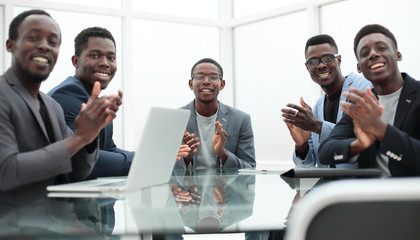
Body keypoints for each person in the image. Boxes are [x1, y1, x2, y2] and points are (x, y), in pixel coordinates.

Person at [0, 9, 121, 192]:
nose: (44, 46)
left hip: (55, 216)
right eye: (33, 38)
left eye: (53, 42)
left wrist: (87, 138)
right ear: (10, 45)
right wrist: (79, 137)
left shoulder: (52, 107)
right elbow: (6, 171)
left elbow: (77, 171)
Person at [318, 24, 420, 177]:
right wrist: (359, 145)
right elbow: (325, 152)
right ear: (359, 67)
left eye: (381, 48)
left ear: (397, 55)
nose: (373, 54)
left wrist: (383, 132)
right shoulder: (360, 104)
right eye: (365, 53)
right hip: (370, 197)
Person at [48, 27, 133, 179]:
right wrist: (141, 161)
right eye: (94, 55)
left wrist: (148, 156)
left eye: (111, 58)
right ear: (76, 61)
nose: (105, 63)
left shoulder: (98, 101)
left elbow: (109, 149)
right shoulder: (68, 94)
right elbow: (84, 159)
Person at [281, 34, 372, 168]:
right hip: (329, 187)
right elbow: (309, 164)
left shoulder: (363, 88)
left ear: (339, 60)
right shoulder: (318, 106)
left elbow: (364, 142)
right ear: (307, 67)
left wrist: (317, 126)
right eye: (313, 62)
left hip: (360, 186)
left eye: (327, 58)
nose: (321, 65)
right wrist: (302, 146)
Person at [174, 58, 256, 169]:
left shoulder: (241, 120)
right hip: (188, 186)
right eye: (199, 76)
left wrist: (223, 153)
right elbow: (164, 168)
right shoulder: (175, 119)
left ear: (222, 85)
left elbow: (250, 168)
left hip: (224, 186)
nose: (206, 81)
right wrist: (187, 158)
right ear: (190, 84)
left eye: (213, 77)